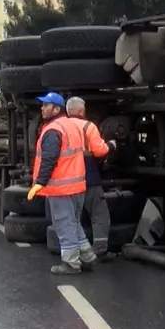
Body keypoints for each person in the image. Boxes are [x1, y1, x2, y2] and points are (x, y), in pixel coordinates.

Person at [27, 92, 109, 275]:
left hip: (60, 188)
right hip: (77, 186)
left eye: (46, 105)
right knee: (73, 223)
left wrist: (40, 183)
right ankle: (88, 257)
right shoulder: (71, 126)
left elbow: (49, 158)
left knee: (64, 225)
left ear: (56, 109)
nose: (42, 108)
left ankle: (71, 264)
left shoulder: (53, 130)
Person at [65, 96, 118, 261]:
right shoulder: (88, 126)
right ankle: (100, 251)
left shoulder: (59, 127)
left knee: (71, 217)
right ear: (81, 111)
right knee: (99, 214)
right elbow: (100, 151)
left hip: (65, 180)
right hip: (87, 176)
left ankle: (73, 253)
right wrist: (112, 145)